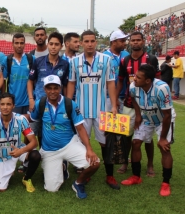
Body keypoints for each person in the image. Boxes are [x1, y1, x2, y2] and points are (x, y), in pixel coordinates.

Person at [26, 75, 100, 198]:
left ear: (60, 88)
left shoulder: (70, 104)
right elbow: (32, 119)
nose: (52, 91)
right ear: (45, 89)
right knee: (51, 189)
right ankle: (63, 167)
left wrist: (89, 149)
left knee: (95, 163)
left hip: (69, 144)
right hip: (49, 150)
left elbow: (80, 128)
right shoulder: (41, 103)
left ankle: (78, 182)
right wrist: (12, 115)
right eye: (49, 88)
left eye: (55, 88)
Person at [67, 30, 118, 190]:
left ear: (96, 42)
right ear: (81, 43)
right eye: (86, 41)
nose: (89, 44)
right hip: (81, 112)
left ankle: (110, 175)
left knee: (106, 144)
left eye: (92, 41)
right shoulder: (74, 62)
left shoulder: (107, 60)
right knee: (83, 144)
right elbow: (71, 84)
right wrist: (69, 106)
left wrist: (114, 106)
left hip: (102, 110)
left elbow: (111, 83)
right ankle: (86, 173)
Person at [121, 65, 175, 197]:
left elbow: (167, 115)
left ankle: (165, 183)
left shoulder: (162, 88)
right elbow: (133, 99)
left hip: (164, 120)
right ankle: (136, 177)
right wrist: (138, 115)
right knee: (135, 143)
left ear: (148, 81)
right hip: (146, 118)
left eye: (138, 77)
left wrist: (162, 138)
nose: (134, 79)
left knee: (164, 148)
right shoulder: (133, 86)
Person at [116, 32, 160, 178]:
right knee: (126, 135)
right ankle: (125, 162)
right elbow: (121, 81)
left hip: (148, 104)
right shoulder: (125, 60)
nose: (135, 42)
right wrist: (116, 98)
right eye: (133, 40)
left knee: (147, 137)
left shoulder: (151, 59)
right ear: (130, 42)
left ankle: (150, 164)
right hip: (129, 103)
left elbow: (158, 81)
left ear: (143, 42)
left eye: (138, 40)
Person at [0, 93, 41, 192]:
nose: (5, 107)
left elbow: (33, 142)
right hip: (2, 156)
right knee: (0, 189)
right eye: (2, 104)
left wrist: (21, 151)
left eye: (8, 104)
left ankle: (27, 178)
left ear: (13, 106)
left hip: (19, 150)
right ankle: (7, 170)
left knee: (35, 155)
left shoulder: (21, 119)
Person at [28, 32, 69, 147]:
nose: (53, 47)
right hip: (38, 103)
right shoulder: (38, 61)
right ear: (48, 44)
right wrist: (31, 99)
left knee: (51, 132)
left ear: (61, 46)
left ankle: (49, 156)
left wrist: (65, 103)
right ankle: (26, 160)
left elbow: (65, 85)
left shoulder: (65, 64)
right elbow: (30, 80)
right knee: (31, 133)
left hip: (55, 106)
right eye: (51, 44)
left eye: (56, 44)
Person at [102, 30, 130, 175]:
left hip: (126, 96)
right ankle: (111, 154)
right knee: (110, 128)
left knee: (123, 128)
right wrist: (114, 99)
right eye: (122, 40)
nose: (125, 43)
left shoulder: (126, 56)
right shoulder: (104, 56)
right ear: (114, 42)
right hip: (108, 97)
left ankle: (122, 155)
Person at [4, 33, 34, 114]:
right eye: (16, 43)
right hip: (14, 103)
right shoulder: (7, 60)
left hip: (28, 102)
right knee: (15, 126)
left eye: (21, 43)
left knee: (28, 125)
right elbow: (3, 80)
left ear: (25, 44)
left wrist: (32, 99)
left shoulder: (31, 59)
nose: (19, 45)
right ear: (12, 44)